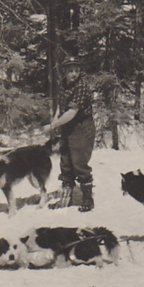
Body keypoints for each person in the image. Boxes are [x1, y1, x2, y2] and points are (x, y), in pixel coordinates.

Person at [44, 57, 96, 211]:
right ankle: (66, 198)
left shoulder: (81, 87)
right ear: (65, 71)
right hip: (68, 127)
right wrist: (55, 125)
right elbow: (61, 108)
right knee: (66, 162)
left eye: (76, 70)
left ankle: (87, 199)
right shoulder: (63, 85)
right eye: (70, 71)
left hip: (82, 127)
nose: (74, 74)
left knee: (79, 163)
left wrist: (53, 125)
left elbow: (72, 112)